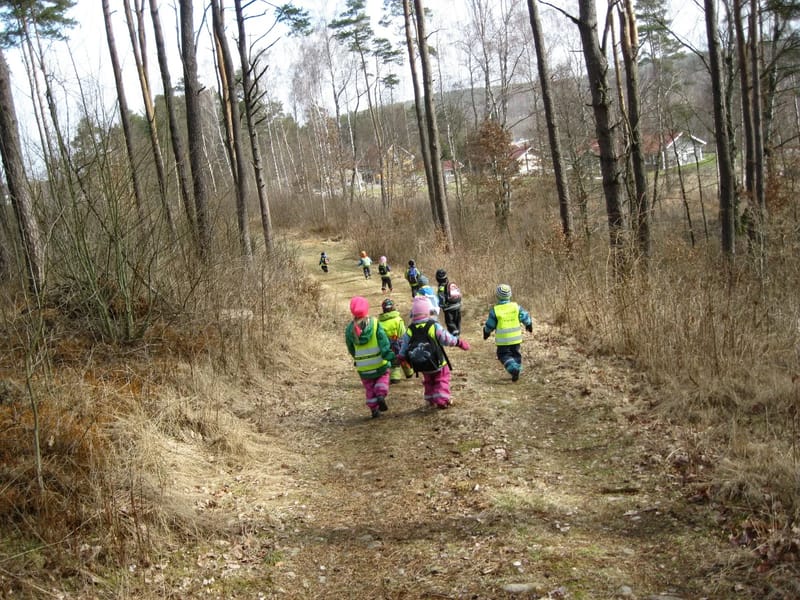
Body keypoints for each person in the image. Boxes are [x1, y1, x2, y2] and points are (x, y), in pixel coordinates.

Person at [399, 296, 470, 409]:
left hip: (421, 363)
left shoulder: (410, 329)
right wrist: (459, 343)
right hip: (437, 362)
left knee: (428, 381)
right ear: (428, 311)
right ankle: (441, 400)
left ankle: (430, 398)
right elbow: (447, 339)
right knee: (441, 378)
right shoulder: (433, 326)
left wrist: (401, 356)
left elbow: (404, 345)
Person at [345, 296, 395, 418]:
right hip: (379, 363)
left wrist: (356, 358)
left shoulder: (350, 329)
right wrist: (389, 355)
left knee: (369, 387)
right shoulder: (374, 323)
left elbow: (350, 348)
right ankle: (381, 394)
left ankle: (374, 409)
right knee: (383, 378)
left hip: (363, 367)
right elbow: (383, 342)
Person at [482, 284, 533, 382]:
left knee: (503, 355)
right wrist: (529, 324)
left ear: (497, 296)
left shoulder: (495, 310)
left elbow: (490, 325)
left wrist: (486, 332)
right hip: (516, 338)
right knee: (516, 354)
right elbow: (524, 316)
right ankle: (516, 369)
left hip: (503, 340)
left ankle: (513, 368)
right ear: (510, 295)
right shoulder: (516, 307)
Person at [378, 298, 414, 382]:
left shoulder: (380, 323)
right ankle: (409, 372)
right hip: (399, 343)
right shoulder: (398, 319)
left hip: (388, 345)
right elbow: (403, 333)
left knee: (393, 361)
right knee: (403, 358)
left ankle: (395, 376)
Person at [436, 269, 462, 336]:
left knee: (450, 322)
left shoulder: (441, 288)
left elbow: (441, 299)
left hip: (449, 308)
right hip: (458, 305)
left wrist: (441, 306)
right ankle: (458, 332)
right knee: (457, 321)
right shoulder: (450, 284)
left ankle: (454, 334)